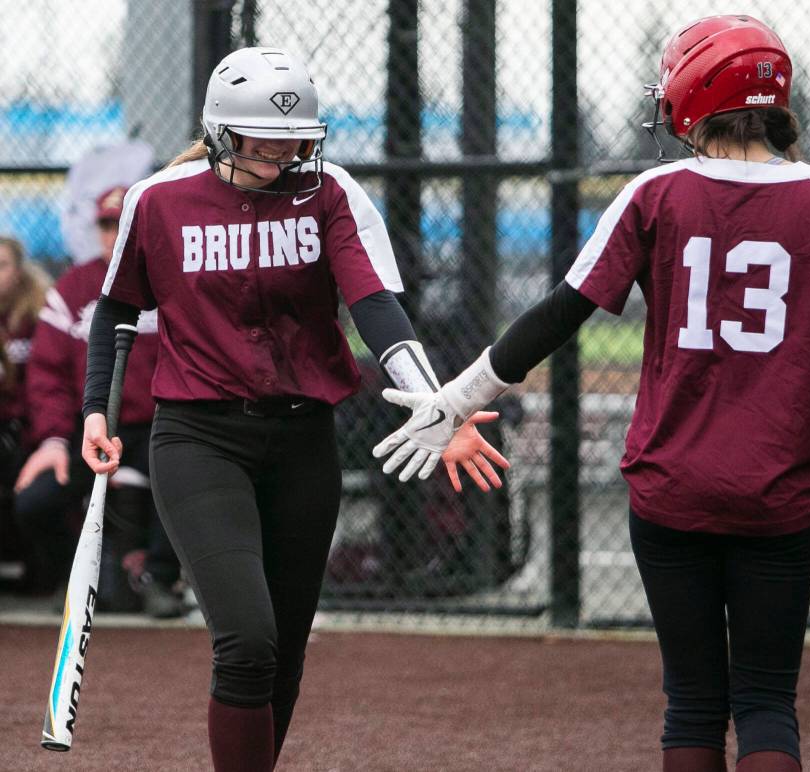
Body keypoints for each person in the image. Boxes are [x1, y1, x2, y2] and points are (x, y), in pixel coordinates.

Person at [373, 16, 810, 772]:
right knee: (766, 704)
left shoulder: (656, 193)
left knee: (693, 704)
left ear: (693, 93)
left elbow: (556, 317)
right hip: (777, 491)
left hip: (670, 487)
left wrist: (459, 397)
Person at [80, 47, 507, 771]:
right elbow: (117, 310)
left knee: (282, 648)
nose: (287, 151)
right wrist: (99, 409)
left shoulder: (331, 193)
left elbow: (376, 308)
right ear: (221, 134)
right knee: (246, 640)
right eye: (267, 139)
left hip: (304, 440)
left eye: (297, 138)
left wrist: (439, 405)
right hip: (199, 439)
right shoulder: (159, 201)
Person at [14, 187, 182, 617]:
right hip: (87, 429)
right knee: (34, 499)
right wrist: (52, 439)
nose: (114, 235)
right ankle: (75, 579)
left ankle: (158, 580)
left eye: (124, 224)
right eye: (107, 225)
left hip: (163, 424)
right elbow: (46, 375)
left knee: (183, 484)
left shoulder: (176, 280)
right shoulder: (73, 288)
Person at [0, 236, 49, 580]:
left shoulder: (40, 310)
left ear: (18, 271)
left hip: (33, 427)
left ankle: (40, 569)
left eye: (3, 265)